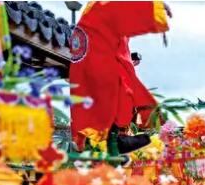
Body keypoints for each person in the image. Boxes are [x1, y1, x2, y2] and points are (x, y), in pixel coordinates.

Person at [69, 1, 172, 153]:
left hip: (88, 63)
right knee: (122, 86)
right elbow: (124, 10)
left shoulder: (93, 10)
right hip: (99, 62)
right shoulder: (104, 6)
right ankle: (114, 138)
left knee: (101, 101)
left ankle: (109, 139)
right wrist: (155, 7)